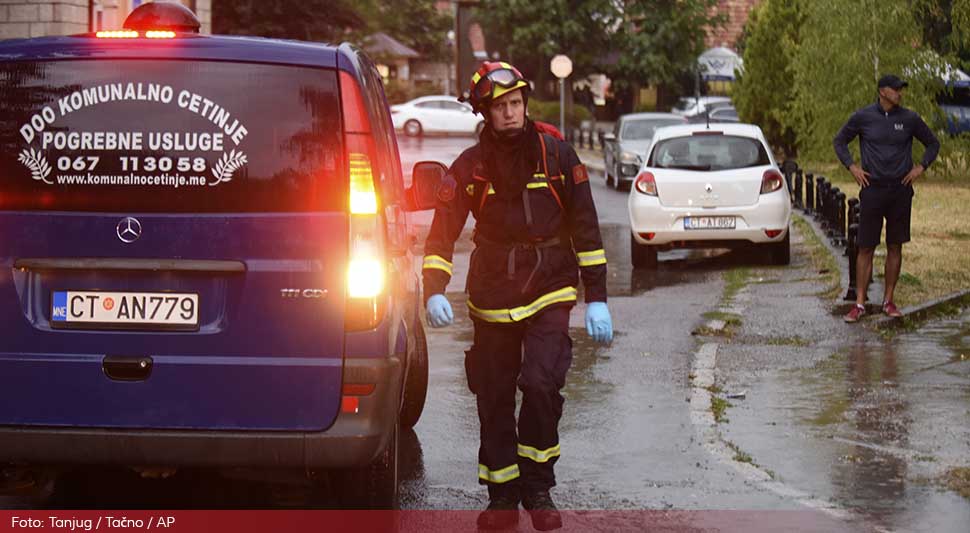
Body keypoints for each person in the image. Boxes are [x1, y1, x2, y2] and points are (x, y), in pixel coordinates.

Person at [422, 61, 613, 531]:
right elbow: (443, 232)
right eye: (500, 107)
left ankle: (538, 486)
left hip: (550, 285)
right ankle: (503, 494)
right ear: (485, 112)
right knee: (493, 394)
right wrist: (433, 289)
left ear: (524, 103)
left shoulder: (557, 156)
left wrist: (598, 296)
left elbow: (586, 227)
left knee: (542, 383)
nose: (510, 113)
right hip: (491, 292)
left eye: (515, 103)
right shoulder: (470, 168)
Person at [833, 74, 939, 323]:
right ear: (882, 91)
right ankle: (859, 303)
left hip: (900, 190)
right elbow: (839, 141)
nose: (900, 93)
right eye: (896, 89)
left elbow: (933, 143)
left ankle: (888, 301)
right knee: (866, 246)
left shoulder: (909, 118)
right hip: (872, 189)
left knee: (895, 245)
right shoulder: (863, 117)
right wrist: (852, 167)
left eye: (901, 89)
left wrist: (920, 168)